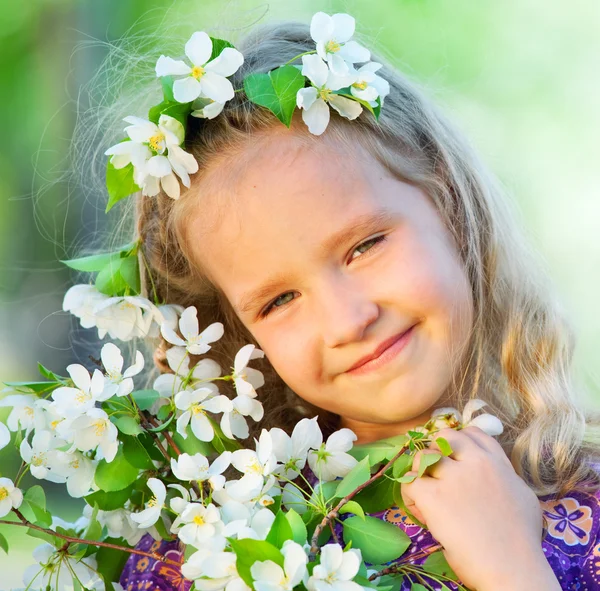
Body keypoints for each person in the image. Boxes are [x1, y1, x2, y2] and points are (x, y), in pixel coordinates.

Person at [101, 15, 600, 591]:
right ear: (239, 336)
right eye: (280, 299)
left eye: (364, 246)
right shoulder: (203, 555)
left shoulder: (584, 502)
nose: (349, 320)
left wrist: (513, 569)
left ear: (446, 202)